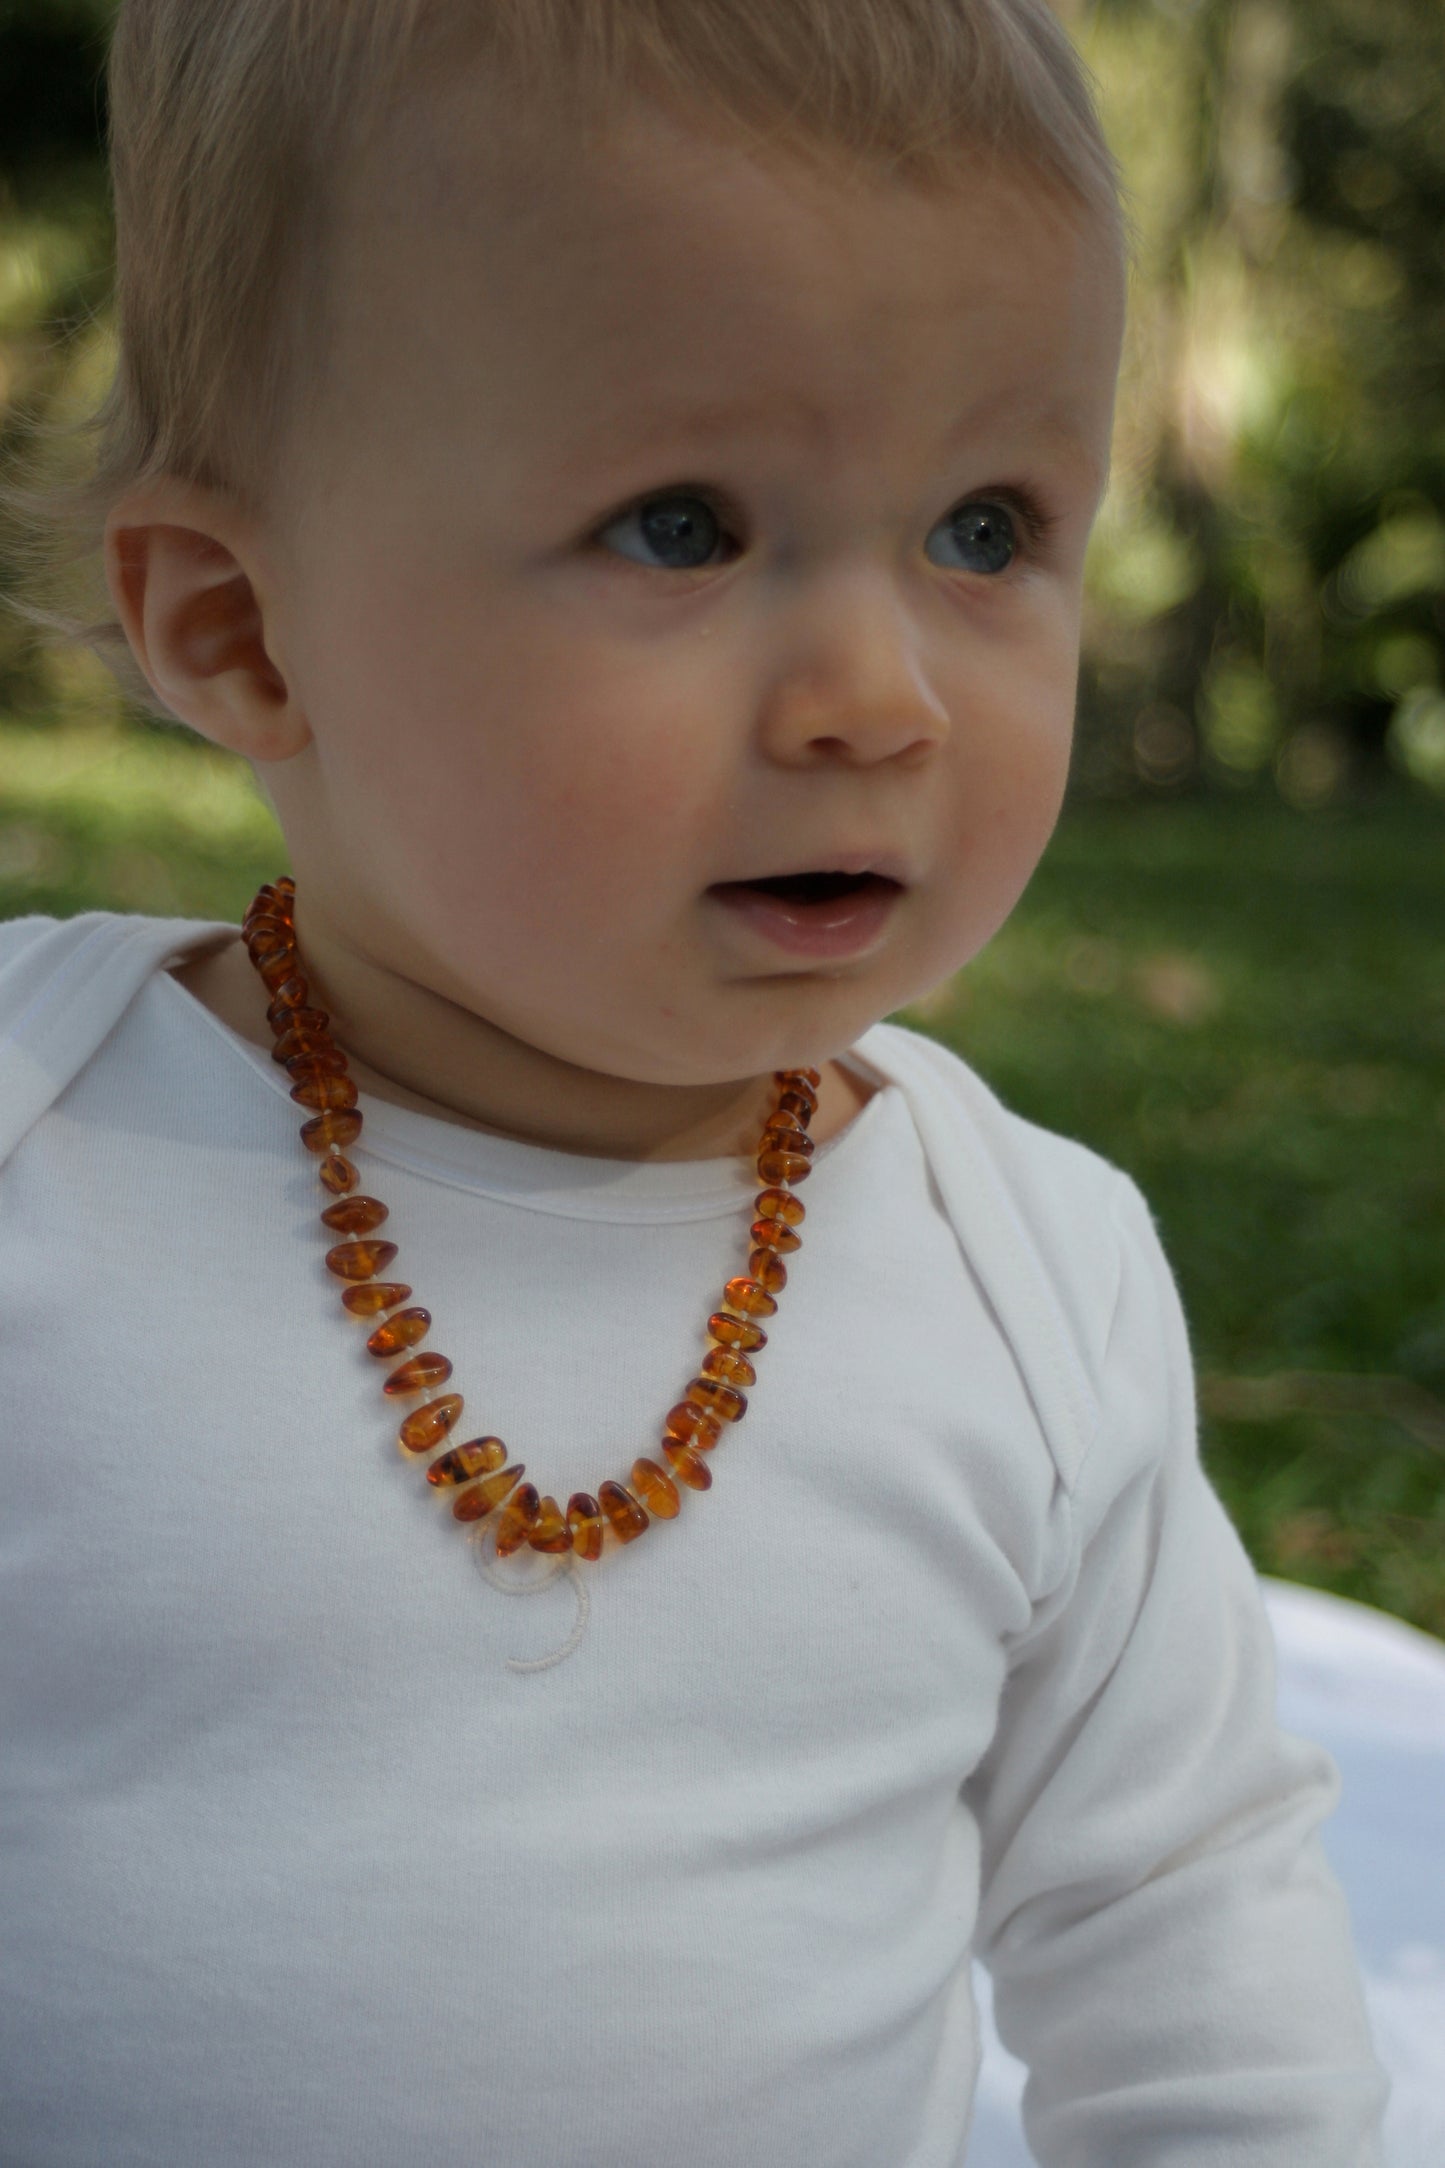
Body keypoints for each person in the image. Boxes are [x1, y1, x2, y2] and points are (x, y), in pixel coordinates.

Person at [0, 3, 1391, 2163]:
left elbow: (1187, 1940)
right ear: (242, 631)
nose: (880, 696)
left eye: (988, 528)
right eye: (682, 527)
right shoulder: (37, 1134)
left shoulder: (1030, 1281)